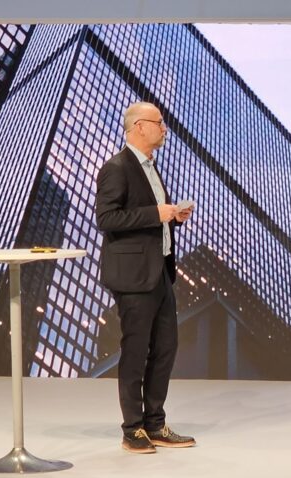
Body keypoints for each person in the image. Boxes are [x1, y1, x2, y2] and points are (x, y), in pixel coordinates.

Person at [95, 101, 197, 454]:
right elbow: (108, 219)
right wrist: (156, 213)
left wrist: (172, 217)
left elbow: (148, 219)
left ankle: (155, 423)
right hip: (134, 276)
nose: (164, 129)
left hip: (160, 272)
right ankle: (132, 429)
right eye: (159, 123)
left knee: (165, 348)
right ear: (140, 126)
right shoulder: (117, 168)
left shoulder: (152, 167)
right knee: (136, 351)